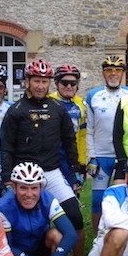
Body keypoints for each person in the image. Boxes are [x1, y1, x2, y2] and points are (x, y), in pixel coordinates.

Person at [0, 59, 93, 256]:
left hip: (51, 173)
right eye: (36, 81)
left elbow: (68, 143)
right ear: (27, 82)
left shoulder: (57, 109)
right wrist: (7, 179)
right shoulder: (16, 111)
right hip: (23, 176)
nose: (41, 86)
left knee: (75, 217)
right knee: (13, 224)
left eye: (44, 81)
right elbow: (6, 148)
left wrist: (74, 174)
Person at [0, 162, 78, 256]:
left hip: (40, 246)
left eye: (34, 188)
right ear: (14, 187)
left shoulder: (48, 199)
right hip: (16, 252)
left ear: (41, 187)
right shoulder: (3, 206)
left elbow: (71, 234)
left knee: (57, 235)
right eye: (23, 188)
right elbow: (6, 247)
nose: (29, 194)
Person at [86, 56, 128, 231]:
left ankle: (123, 237)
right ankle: (97, 240)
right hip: (101, 156)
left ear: (123, 73)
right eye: (109, 70)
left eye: (117, 70)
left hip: (124, 155)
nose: (113, 74)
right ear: (103, 73)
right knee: (97, 201)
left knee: (124, 200)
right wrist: (92, 157)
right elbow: (89, 130)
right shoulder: (93, 95)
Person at [48, 64, 88, 192]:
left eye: (73, 83)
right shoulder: (48, 101)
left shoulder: (80, 104)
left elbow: (82, 135)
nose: (69, 87)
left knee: (73, 193)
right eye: (64, 83)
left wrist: (82, 162)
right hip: (51, 157)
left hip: (71, 156)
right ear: (56, 83)